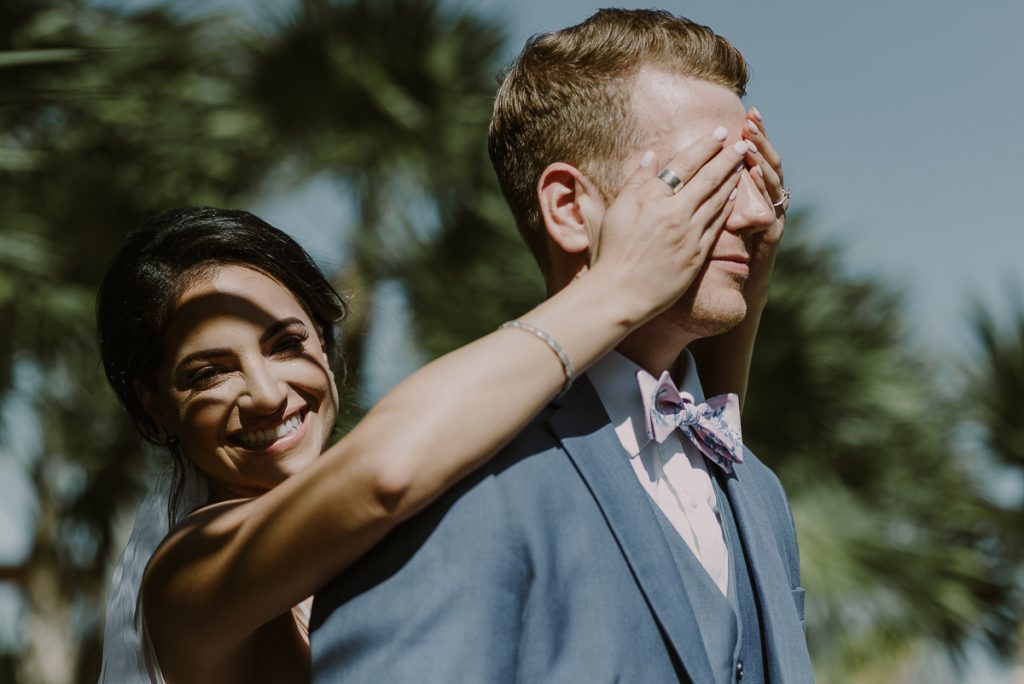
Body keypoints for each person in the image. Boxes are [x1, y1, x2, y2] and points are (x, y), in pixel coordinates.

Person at [97, 86, 759, 684]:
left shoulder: (406, 511)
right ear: (152, 401)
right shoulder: (190, 574)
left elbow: (690, 444)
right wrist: (621, 285)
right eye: (209, 373)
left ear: (326, 348)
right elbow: (380, 477)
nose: (267, 393)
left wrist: (749, 261)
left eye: (286, 345)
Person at [311, 8, 812, 684]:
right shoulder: (459, 486)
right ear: (572, 209)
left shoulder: (760, 494)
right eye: (712, 177)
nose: (756, 215)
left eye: (754, 177)